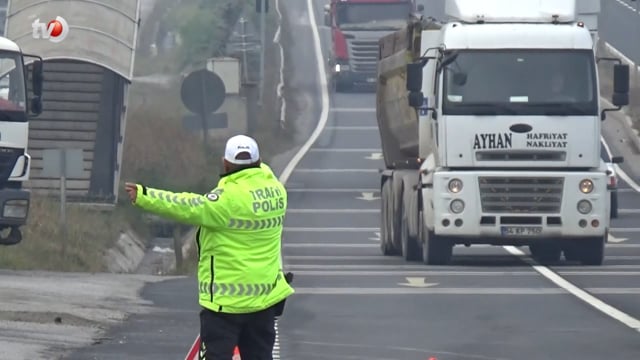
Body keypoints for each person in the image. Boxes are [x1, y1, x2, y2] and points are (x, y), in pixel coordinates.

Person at [125, 134, 295, 360]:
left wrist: (145, 196)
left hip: (224, 307)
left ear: (225, 163)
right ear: (259, 161)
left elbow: (184, 205)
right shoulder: (277, 192)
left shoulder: (225, 201)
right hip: (263, 304)